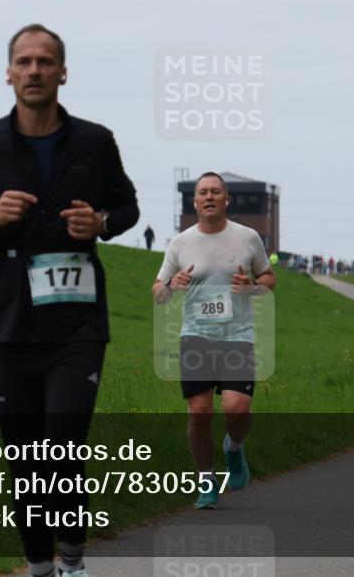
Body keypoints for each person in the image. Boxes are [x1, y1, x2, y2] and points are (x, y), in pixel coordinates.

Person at [0, 24, 139, 577]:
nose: (34, 71)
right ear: (8, 73)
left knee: (63, 446)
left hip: (78, 321)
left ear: (62, 72)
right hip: (11, 318)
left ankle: (72, 559)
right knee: (23, 456)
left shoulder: (96, 140)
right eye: (23, 62)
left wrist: (102, 222)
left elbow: (128, 208)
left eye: (45, 62)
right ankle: (38, 564)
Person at [151, 172, 275, 509]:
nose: (209, 197)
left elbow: (268, 278)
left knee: (237, 409)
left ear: (226, 200)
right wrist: (172, 286)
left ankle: (234, 449)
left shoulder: (248, 237)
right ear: (195, 202)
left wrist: (251, 287)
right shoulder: (179, 243)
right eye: (203, 192)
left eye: (215, 192)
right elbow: (158, 292)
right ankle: (207, 481)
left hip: (238, 336)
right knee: (200, 413)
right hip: (196, 336)